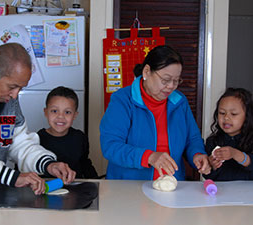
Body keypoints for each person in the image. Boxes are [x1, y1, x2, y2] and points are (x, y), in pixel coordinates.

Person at [0, 43, 75, 195]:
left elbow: (19, 141)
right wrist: (12, 177)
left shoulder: (7, 95)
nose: (15, 95)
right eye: (12, 87)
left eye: (21, 88)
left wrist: (48, 164)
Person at [100, 45, 211, 180]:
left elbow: (192, 139)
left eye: (176, 81)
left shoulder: (179, 101)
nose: (171, 86)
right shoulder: (123, 100)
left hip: (172, 184)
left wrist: (197, 154)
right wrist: (149, 157)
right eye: (165, 80)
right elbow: (111, 146)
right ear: (147, 72)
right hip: (128, 186)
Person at [37, 86, 98, 179]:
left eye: (67, 112)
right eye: (54, 111)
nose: (60, 116)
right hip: (45, 189)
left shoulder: (80, 138)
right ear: (46, 112)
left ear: (75, 115)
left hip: (76, 189)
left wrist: (97, 184)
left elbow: (85, 164)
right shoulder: (37, 139)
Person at [203, 88, 253, 181]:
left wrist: (235, 154)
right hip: (221, 193)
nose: (226, 117)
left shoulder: (250, 140)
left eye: (233, 114)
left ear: (247, 116)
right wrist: (212, 166)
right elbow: (208, 176)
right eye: (222, 113)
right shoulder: (213, 141)